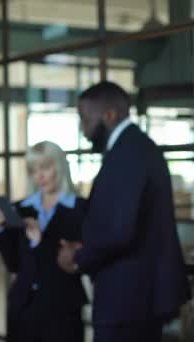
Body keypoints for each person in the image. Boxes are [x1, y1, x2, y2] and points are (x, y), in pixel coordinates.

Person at [57, 81, 191, 342]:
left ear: (109, 115)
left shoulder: (128, 153)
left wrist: (79, 256)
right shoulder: (134, 148)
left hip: (128, 296)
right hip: (137, 294)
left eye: (85, 119)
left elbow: (119, 231)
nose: (83, 130)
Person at [0, 141, 87, 342]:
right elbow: (14, 264)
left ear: (59, 166)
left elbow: (80, 262)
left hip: (62, 309)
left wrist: (41, 242)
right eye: (34, 170)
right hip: (23, 307)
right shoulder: (20, 208)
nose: (39, 176)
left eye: (45, 168)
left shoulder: (82, 209)